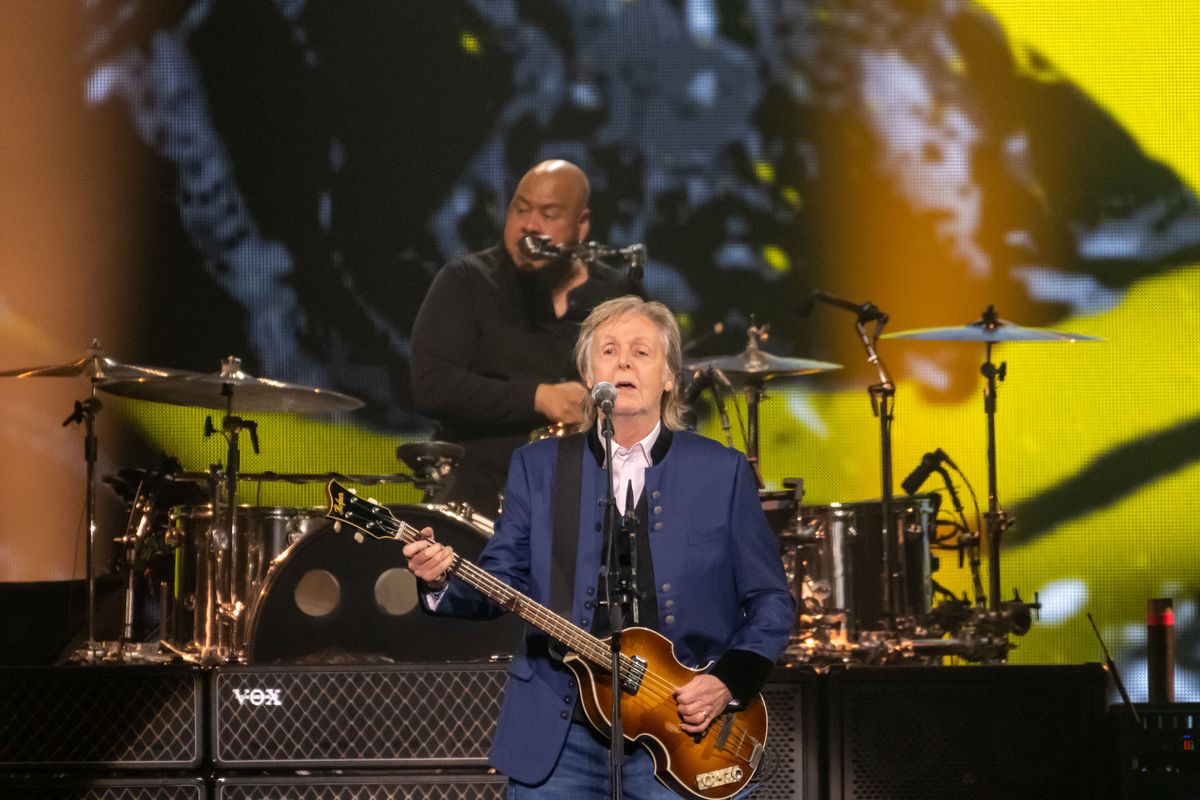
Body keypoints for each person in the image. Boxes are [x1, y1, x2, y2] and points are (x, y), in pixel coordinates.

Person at [403, 296, 795, 798]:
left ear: (670, 377)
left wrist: (727, 681)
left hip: (685, 726)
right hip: (559, 730)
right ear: (590, 376)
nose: (624, 362)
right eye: (609, 351)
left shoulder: (721, 471)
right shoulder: (538, 466)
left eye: (641, 352)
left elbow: (771, 601)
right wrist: (440, 578)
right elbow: (500, 584)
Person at [409, 160, 637, 517]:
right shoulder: (466, 281)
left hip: (592, 496)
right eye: (521, 209)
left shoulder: (617, 295)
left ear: (581, 226)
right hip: (478, 493)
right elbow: (431, 384)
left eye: (548, 214)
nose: (529, 225)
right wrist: (538, 398)